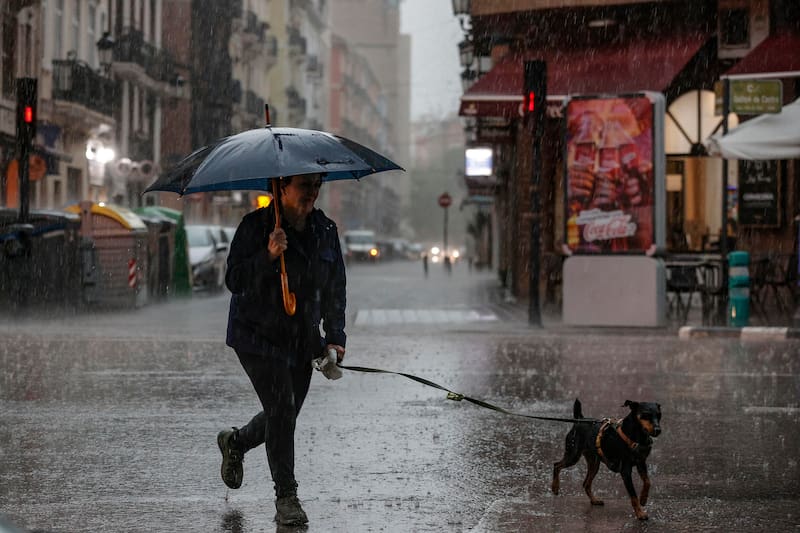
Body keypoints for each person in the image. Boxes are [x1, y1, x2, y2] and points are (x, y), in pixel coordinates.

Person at [217, 173, 346, 526]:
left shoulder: (325, 230)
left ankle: (237, 442)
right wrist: (268, 255)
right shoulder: (255, 227)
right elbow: (235, 281)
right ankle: (286, 497)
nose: (312, 193)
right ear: (281, 188)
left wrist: (335, 337)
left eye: (317, 185)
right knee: (282, 409)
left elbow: (335, 287)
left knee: (284, 415)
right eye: (305, 185)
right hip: (256, 336)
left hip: (301, 338)